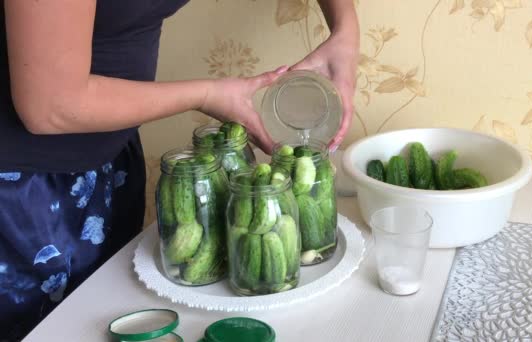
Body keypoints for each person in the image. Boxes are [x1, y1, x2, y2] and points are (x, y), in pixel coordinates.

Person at [0, 0, 359, 340]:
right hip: (23, 196)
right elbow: (50, 106)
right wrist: (205, 95)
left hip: (112, 166)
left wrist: (346, 29)